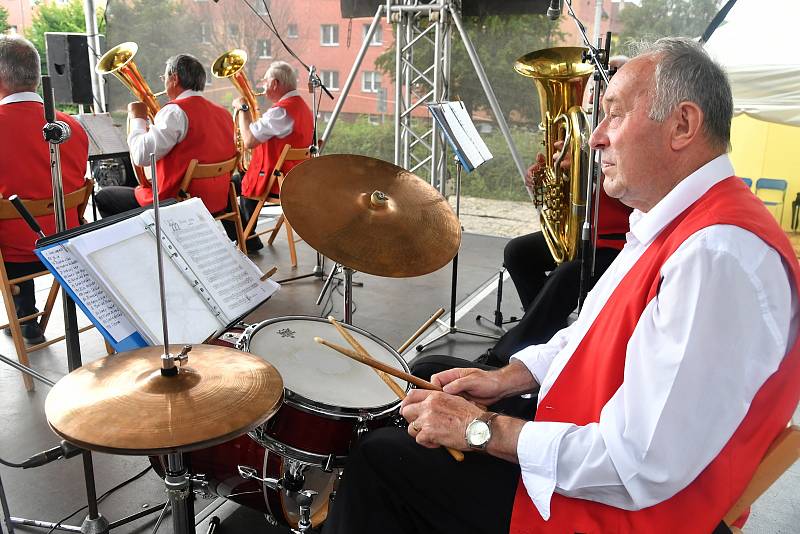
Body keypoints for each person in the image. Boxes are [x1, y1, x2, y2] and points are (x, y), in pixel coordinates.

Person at [322, 38, 800, 534]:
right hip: (602, 456)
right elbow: (586, 334)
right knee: (430, 371)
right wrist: (506, 378)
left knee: (381, 460)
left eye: (615, 114)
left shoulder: (716, 256)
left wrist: (480, 429)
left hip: (618, 513)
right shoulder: (679, 224)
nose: (596, 137)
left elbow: (638, 466)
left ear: (682, 125)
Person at [487, 55, 632, 365]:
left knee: (568, 274)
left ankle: (508, 355)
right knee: (518, 251)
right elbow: (567, 192)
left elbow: (627, 186)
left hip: (617, 241)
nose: (597, 96)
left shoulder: (629, 134)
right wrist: (545, 178)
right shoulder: (591, 130)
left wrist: (587, 165)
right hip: (585, 232)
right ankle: (544, 330)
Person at [0, 36, 89, 344]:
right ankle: (26, 317)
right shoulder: (72, 126)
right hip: (68, 242)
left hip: (16, 253)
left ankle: (24, 316)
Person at [94, 54, 236, 218]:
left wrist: (137, 119)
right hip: (216, 200)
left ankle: (150, 242)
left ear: (174, 78)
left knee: (104, 197)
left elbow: (141, 157)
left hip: (178, 201)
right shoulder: (223, 112)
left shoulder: (174, 111)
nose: (164, 82)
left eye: (165, 77)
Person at [231, 60, 313, 253]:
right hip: (293, 177)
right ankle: (249, 238)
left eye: (265, 81)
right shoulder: (301, 106)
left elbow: (249, 140)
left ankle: (248, 240)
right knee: (239, 181)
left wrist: (243, 109)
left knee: (228, 187)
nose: (263, 86)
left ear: (275, 83)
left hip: (277, 181)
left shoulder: (281, 111)